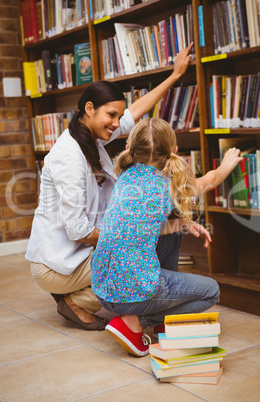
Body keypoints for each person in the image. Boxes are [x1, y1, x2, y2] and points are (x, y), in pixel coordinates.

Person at [25, 45, 195, 331]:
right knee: (139, 256)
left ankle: (81, 296)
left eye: (118, 118)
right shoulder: (69, 157)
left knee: (147, 245)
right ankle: (80, 299)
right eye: (111, 116)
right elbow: (77, 231)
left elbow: (134, 112)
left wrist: (175, 75)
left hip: (76, 253)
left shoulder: (90, 136)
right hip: (57, 263)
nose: (118, 124)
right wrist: (131, 237)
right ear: (89, 109)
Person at [90, 117, 242, 357]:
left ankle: (157, 320)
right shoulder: (169, 184)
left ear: (130, 148)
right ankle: (135, 322)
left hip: (103, 288)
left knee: (174, 236)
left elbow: (140, 228)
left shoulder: (124, 178)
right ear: (174, 152)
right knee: (211, 291)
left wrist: (182, 224)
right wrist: (227, 164)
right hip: (130, 294)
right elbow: (211, 180)